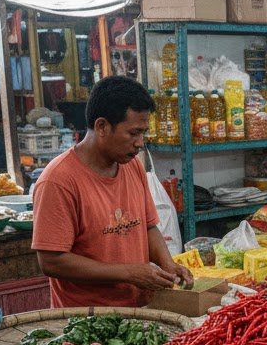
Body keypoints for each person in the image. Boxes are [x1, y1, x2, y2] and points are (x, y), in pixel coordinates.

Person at [32, 76, 192, 308]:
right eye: (133, 133)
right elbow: (51, 261)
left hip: (139, 310)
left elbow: (147, 226)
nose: (140, 143)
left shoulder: (132, 165)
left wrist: (167, 264)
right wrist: (129, 273)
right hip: (88, 318)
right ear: (102, 127)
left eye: (143, 133)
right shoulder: (58, 180)